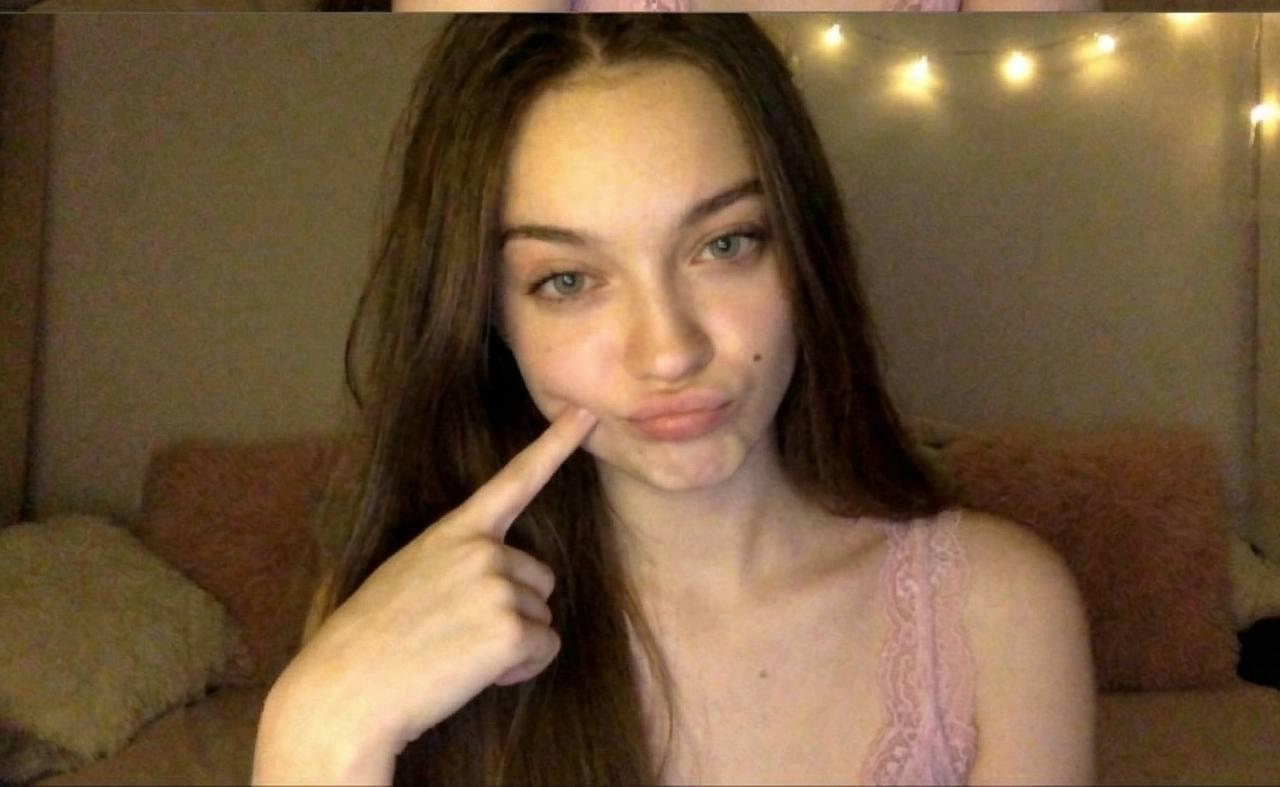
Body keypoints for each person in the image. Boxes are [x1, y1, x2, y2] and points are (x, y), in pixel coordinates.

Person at [251, 13, 1095, 786]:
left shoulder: (998, 611)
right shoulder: (396, 623)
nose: (669, 351)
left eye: (725, 244)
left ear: (803, 252)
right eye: (568, 280)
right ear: (488, 320)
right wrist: (314, 729)